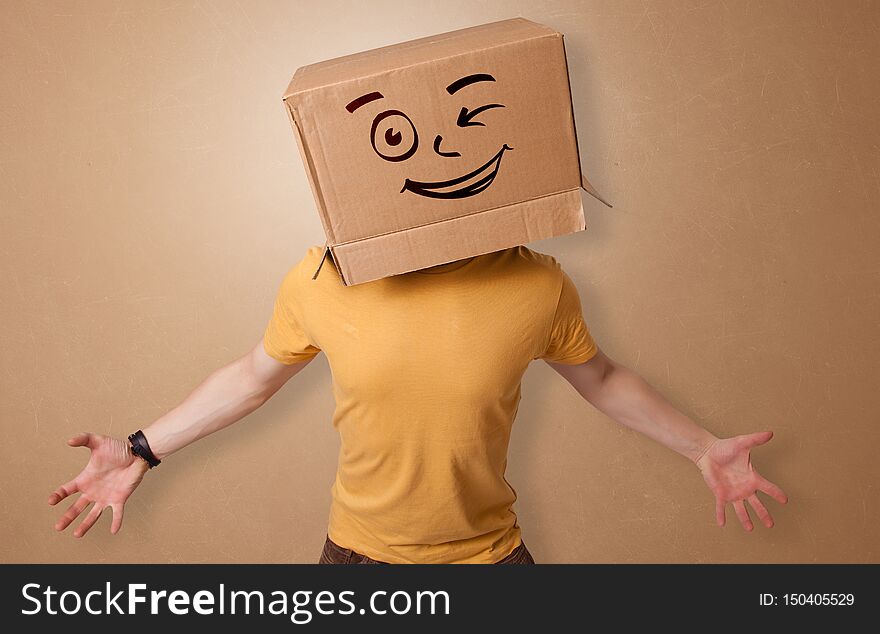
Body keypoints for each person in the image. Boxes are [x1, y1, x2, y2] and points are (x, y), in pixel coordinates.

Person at [48, 244, 788, 564]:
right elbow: (253, 375)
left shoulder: (535, 283)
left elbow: (598, 377)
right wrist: (142, 448)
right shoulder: (321, 276)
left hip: (491, 560)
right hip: (357, 562)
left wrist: (702, 446)